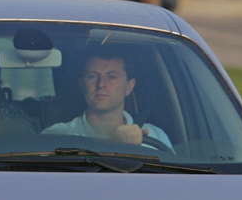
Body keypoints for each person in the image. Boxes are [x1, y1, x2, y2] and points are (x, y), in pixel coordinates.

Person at [42, 45, 173, 150]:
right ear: (82, 85)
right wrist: (112, 145)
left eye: (111, 77)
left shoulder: (155, 136)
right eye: (92, 76)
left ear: (129, 86)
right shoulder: (57, 136)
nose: (101, 84)